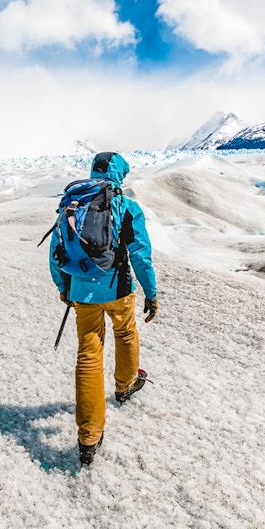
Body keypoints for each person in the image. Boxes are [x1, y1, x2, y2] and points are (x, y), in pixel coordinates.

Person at [49, 152, 158, 466]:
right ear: (120, 173)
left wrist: (63, 287)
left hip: (82, 291)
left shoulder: (74, 202)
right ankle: (125, 386)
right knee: (125, 334)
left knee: (89, 352)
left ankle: (89, 436)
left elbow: (57, 250)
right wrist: (151, 293)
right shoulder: (125, 206)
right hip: (118, 289)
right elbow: (140, 255)